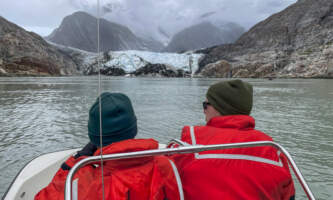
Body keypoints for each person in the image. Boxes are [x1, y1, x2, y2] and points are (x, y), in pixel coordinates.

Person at [35, 92, 183, 200]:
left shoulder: (81, 178)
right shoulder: (165, 164)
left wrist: (73, 163)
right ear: (133, 128)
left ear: (93, 135)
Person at [171, 80, 295, 200]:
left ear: (221, 107)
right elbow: (288, 194)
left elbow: (164, 180)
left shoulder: (190, 141)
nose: (204, 111)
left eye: (205, 105)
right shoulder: (273, 149)